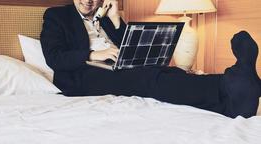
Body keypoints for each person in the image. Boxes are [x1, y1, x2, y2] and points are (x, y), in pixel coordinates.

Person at [40, 0, 261, 118]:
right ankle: (230, 82)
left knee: (168, 72)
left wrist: (116, 18)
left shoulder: (106, 17)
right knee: (148, 78)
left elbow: (128, 43)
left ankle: (231, 104)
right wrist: (93, 55)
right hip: (83, 75)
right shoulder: (56, 16)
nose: (88, 1)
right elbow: (53, 57)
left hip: (118, 65)